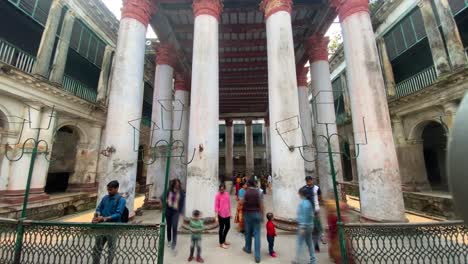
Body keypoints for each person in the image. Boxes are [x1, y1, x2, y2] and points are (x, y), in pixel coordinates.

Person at [92, 180, 126, 264]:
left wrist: (104, 218)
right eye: (108, 189)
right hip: (102, 226)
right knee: (97, 247)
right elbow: (99, 208)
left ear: (117, 188)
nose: (109, 191)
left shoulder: (121, 200)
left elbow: (118, 214)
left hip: (113, 227)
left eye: (111, 190)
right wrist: (98, 214)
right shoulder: (105, 198)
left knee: (111, 248)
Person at [242, 178, 264, 263]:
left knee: (248, 232)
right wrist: (262, 216)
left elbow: (242, 202)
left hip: (247, 214)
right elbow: (261, 205)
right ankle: (257, 256)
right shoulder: (259, 192)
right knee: (257, 234)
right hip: (257, 214)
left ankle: (248, 248)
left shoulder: (246, 192)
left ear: (248, 184)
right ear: (254, 184)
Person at [293, 188, 316, 264]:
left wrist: (302, 227)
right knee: (309, 244)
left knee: (300, 244)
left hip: (304, 226)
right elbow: (311, 216)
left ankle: (298, 260)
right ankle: (312, 260)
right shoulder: (309, 203)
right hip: (310, 225)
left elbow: (305, 216)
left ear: (301, 194)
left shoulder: (304, 204)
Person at [301, 176, 323, 251]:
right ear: (306, 181)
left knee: (317, 226)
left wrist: (317, 204)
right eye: (308, 181)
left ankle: (318, 240)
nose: (309, 182)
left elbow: (320, 197)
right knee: (311, 227)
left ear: (312, 180)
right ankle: (314, 243)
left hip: (315, 209)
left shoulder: (317, 188)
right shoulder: (304, 188)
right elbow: (301, 195)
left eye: (310, 180)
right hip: (308, 210)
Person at [166, 178, 185, 252]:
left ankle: (174, 243)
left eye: (178, 184)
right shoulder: (169, 191)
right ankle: (169, 240)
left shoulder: (181, 192)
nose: (177, 185)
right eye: (176, 184)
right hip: (168, 211)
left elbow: (182, 203)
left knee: (174, 227)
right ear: (174, 184)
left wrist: (180, 212)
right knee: (169, 226)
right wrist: (166, 202)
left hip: (176, 212)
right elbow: (164, 198)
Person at [215, 183, 231, 249]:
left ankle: (224, 240)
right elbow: (216, 206)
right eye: (220, 189)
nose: (221, 190)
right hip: (220, 214)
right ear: (219, 189)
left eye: (223, 189)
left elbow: (228, 203)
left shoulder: (227, 194)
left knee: (228, 227)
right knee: (221, 228)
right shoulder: (217, 195)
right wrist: (216, 216)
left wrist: (230, 212)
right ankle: (221, 243)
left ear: (224, 189)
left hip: (227, 214)